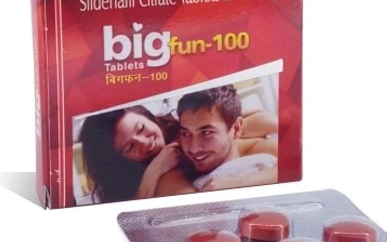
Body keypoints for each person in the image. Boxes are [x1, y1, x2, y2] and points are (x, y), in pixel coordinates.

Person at [78, 97, 277, 202]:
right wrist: (154, 171)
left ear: (148, 117)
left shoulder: (178, 127)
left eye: (141, 128)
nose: (145, 143)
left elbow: (264, 121)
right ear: (118, 161)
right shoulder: (154, 179)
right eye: (130, 146)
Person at [155, 85, 278, 196]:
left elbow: (290, 167)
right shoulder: (176, 173)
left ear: (236, 128)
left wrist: (239, 183)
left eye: (206, 133)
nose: (194, 148)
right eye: (186, 133)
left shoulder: (262, 147)